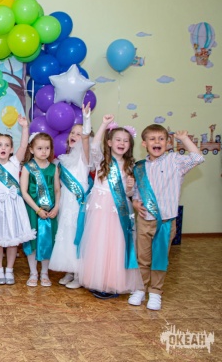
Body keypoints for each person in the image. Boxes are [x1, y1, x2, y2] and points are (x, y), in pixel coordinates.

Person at [129, 125, 204, 310]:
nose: (157, 142)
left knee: (160, 258)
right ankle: (140, 289)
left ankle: (155, 292)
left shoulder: (175, 161)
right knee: (142, 258)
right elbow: (137, 191)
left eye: (161, 139)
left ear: (168, 143)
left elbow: (198, 158)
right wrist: (135, 202)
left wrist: (184, 139)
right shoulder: (139, 167)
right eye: (152, 139)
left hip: (166, 221)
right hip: (144, 220)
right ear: (144, 144)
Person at [77, 115, 143, 299]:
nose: (122, 143)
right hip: (100, 207)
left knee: (116, 245)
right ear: (109, 142)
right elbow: (94, 145)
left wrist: (130, 187)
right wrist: (104, 124)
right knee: (98, 243)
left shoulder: (130, 165)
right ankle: (97, 280)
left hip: (118, 209)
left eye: (126, 141)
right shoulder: (101, 160)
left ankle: (113, 283)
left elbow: (129, 194)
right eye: (118, 139)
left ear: (130, 145)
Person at [0, 116, 36, 285]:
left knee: (12, 240)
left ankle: (10, 269)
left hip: (13, 205)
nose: (3, 148)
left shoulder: (14, 162)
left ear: (11, 149)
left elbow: (24, 145)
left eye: (6, 145)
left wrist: (25, 127)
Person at [50, 104, 92, 290]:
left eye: (79, 133)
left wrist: (86, 119)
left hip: (78, 205)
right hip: (65, 204)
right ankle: (69, 269)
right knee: (65, 235)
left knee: (77, 236)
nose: (75, 135)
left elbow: (86, 140)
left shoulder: (84, 158)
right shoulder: (63, 160)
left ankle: (79, 273)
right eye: (73, 132)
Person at [21, 133, 61, 287]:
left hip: (50, 211)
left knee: (47, 240)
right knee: (32, 240)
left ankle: (44, 273)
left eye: (47, 148)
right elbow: (24, 192)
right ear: (31, 149)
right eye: (39, 148)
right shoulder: (27, 168)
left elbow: (57, 190)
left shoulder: (53, 168)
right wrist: (37, 210)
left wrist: (56, 206)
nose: (44, 151)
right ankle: (33, 272)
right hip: (33, 210)